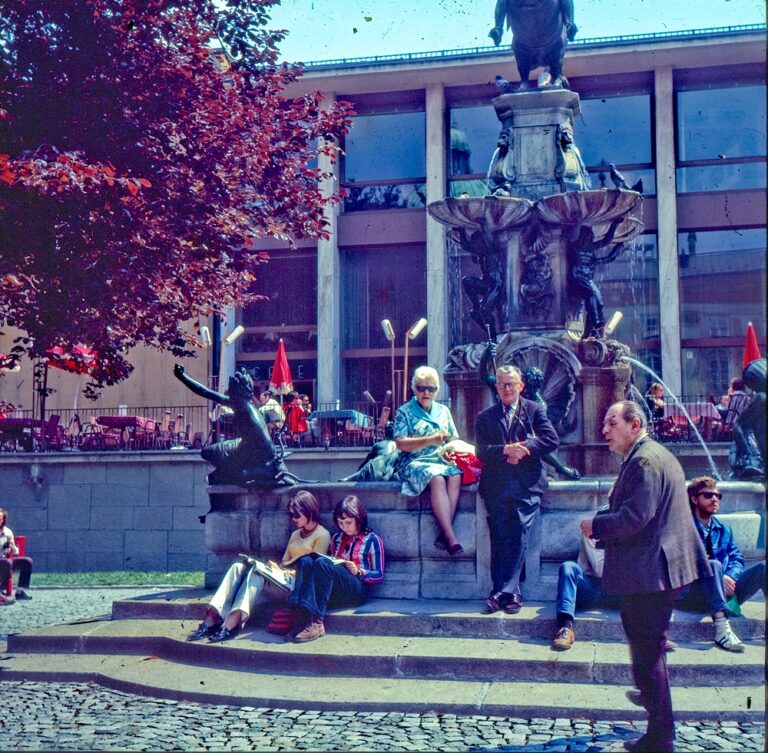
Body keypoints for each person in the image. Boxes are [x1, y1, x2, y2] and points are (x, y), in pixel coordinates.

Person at [580, 400, 711, 753]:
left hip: (653, 573)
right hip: (657, 571)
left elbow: (635, 518)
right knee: (645, 644)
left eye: (611, 423)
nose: (604, 430)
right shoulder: (652, 455)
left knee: (647, 651)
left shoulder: (644, 460)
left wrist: (596, 525)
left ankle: (660, 735)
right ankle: (654, 702)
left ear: (634, 425)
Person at [187, 491, 330, 643]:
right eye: (291, 514)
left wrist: (286, 572)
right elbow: (285, 562)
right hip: (283, 579)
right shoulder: (295, 534)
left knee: (256, 573)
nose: (293, 518)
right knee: (238, 567)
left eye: (297, 515)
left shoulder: (322, 535)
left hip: (298, 586)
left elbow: (314, 572)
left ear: (309, 511)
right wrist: (276, 568)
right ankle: (211, 620)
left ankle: (230, 625)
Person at [475, 365, 559, 614]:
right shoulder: (485, 417)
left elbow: (551, 439)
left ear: (521, 386)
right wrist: (504, 451)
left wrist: (525, 448)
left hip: (527, 484)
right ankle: (510, 592)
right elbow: (480, 451)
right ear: (497, 387)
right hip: (497, 485)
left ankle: (501, 591)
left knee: (520, 531)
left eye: (511, 384)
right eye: (502, 384)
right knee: (500, 535)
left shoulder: (534, 410)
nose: (506, 388)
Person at [675, 476, 765, 652]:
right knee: (714, 565)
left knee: (763, 568)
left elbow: (737, 558)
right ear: (694, 499)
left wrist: (729, 576)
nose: (715, 499)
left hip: (724, 592)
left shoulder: (724, 529)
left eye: (718, 496)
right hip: (690, 595)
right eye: (708, 495)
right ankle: (722, 630)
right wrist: (714, 573)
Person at [288, 495, 385, 642]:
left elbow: (379, 574)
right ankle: (300, 617)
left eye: (348, 522)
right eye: (340, 523)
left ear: (359, 519)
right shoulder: (336, 538)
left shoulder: (372, 540)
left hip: (358, 590)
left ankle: (318, 623)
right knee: (306, 561)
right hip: (338, 591)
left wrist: (359, 571)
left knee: (323, 563)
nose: (344, 526)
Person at [393, 366, 464, 556]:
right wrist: (429, 440)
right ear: (414, 389)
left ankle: (443, 532)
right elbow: (400, 443)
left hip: (440, 459)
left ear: (437, 391)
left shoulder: (443, 411)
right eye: (421, 387)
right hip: (414, 461)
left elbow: (453, 439)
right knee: (438, 479)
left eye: (431, 389)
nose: (426, 392)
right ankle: (450, 538)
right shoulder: (404, 412)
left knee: (456, 475)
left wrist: (450, 451)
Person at [0, 507, 33, 603]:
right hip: (4, 562)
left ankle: (20, 591)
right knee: (7, 563)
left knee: (27, 562)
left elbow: (15, 552)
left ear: (3, 520)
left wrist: (12, 548)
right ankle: (2, 592)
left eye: (0, 519)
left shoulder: (7, 532)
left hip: (3, 559)